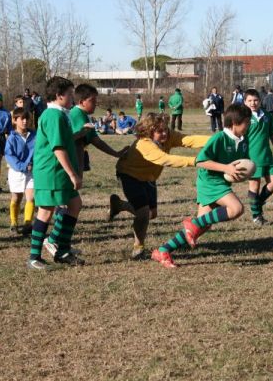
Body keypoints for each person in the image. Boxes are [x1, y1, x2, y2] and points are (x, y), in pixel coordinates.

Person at [150, 103, 252, 268]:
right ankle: (192, 224)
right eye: (247, 122)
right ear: (234, 123)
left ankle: (163, 250)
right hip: (210, 181)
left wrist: (242, 173)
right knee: (236, 209)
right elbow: (201, 161)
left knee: (203, 225)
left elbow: (240, 164)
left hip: (220, 181)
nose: (249, 125)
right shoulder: (219, 138)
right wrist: (226, 168)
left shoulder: (244, 140)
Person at [110, 113, 210, 259]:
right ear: (148, 132)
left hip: (148, 178)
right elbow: (165, 159)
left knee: (151, 214)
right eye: (159, 131)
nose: (164, 133)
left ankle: (119, 205)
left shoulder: (168, 136)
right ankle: (138, 248)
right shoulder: (144, 144)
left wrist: (218, 138)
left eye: (166, 129)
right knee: (143, 213)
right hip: (129, 175)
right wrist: (196, 161)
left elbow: (188, 139)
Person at [27, 76, 83, 269]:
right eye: (70, 94)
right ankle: (34, 257)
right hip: (51, 172)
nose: (72, 98)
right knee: (46, 211)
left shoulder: (61, 114)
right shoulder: (53, 115)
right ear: (59, 96)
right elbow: (58, 147)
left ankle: (62, 250)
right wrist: (73, 174)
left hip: (60, 172)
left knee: (75, 204)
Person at [243, 89, 273, 225]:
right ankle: (257, 216)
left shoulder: (267, 115)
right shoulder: (243, 117)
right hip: (251, 158)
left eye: (255, 100)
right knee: (254, 184)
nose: (253, 103)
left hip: (267, 156)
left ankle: (257, 205)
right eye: (249, 101)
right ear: (245, 102)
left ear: (260, 101)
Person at [69, 84, 126, 179]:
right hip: (71, 166)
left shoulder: (84, 115)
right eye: (92, 100)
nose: (96, 103)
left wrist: (116, 153)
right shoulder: (77, 114)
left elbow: (96, 140)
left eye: (96, 100)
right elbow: (74, 140)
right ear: (82, 102)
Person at [4, 107, 35, 235]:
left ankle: (28, 223)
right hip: (16, 171)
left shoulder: (35, 135)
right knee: (16, 198)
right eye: (22, 119)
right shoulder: (11, 137)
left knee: (31, 198)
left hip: (32, 172)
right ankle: (14, 222)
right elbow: (9, 155)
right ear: (15, 120)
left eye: (27, 119)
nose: (25, 121)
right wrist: (22, 166)